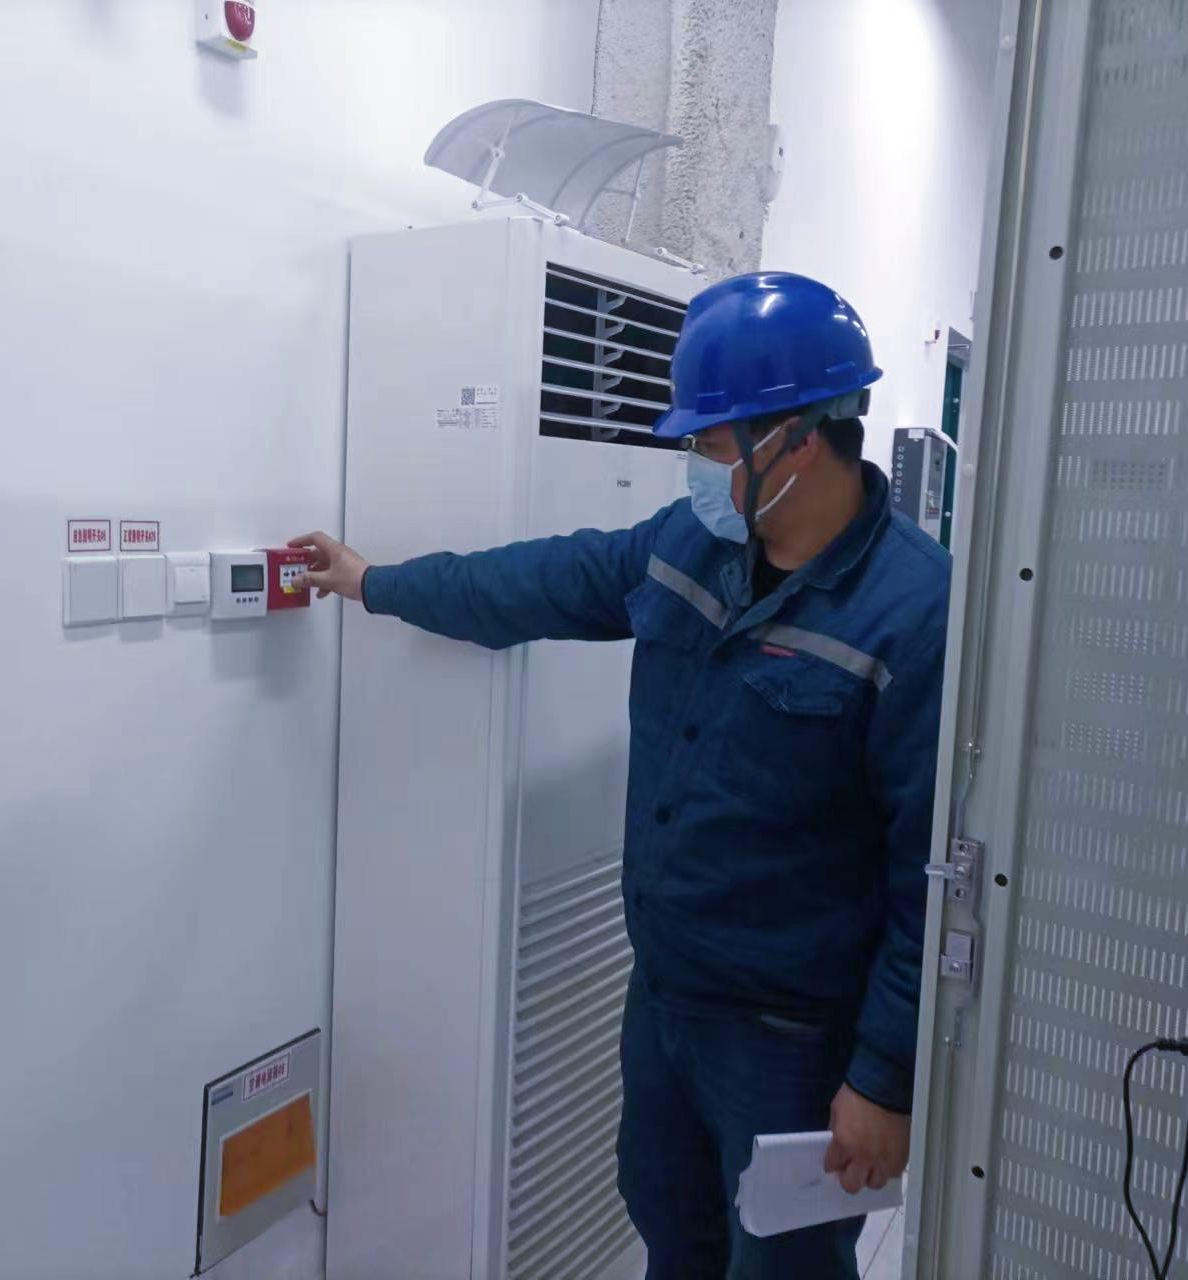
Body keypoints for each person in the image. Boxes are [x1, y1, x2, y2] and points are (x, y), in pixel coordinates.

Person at [293, 272, 949, 1278]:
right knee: (669, 1227)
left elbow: (927, 878)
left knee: (784, 1264)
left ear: (796, 438)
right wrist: (374, 582)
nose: (693, 466)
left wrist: (883, 1078)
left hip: (793, 1038)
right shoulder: (692, 545)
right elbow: (537, 580)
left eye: (709, 442)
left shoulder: (914, 611)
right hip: (666, 997)